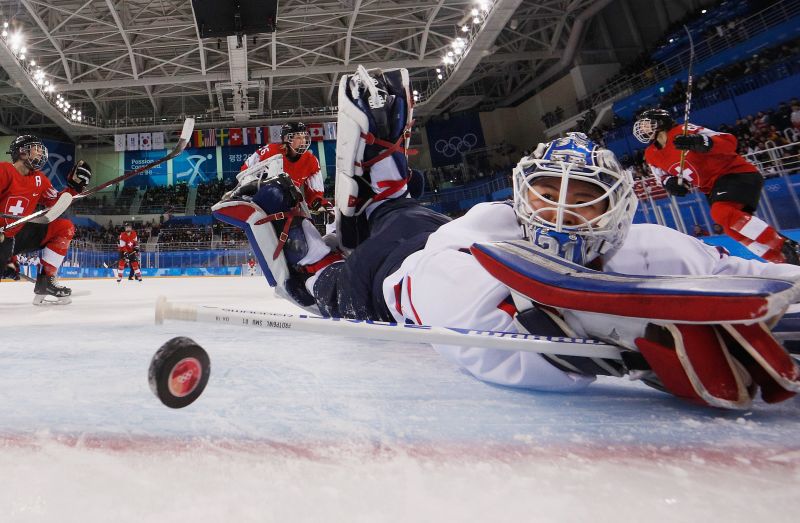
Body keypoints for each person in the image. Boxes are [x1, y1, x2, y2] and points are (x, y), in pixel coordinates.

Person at [214, 68, 800, 409]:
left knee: (398, 211)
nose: (562, 210)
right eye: (550, 192)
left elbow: (747, 279)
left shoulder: (646, 246)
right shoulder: (486, 240)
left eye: (582, 198)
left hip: (423, 228)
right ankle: (285, 225)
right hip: (395, 273)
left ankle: (378, 181)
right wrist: (612, 344)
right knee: (321, 286)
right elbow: (485, 347)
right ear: (525, 195)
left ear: (615, 209)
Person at [632, 108, 799, 264]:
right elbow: (661, 175)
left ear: (660, 122)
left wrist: (704, 142)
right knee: (732, 229)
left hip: (735, 173)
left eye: (647, 122)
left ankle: (784, 244)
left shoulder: (685, 130)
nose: (643, 127)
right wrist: (670, 183)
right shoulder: (651, 154)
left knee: (721, 213)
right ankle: (783, 261)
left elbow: (729, 141)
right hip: (712, 188)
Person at [0, 135, 91, 304]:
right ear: (22, 152)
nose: (41, 152)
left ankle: (46, 281)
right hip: (2, 237)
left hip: (17, 234)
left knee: (64, 227)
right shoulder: (4, 170)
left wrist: (74, 188)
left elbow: (56, 203)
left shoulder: (39, 179)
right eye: (36, 148)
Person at [234, 122, 334, 222]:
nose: (303, 141)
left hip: (288, 207)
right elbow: (245, 170)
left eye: (304, 137)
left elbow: (314, 194)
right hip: (263, 204)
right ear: (286, 139)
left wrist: (320, 204)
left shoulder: (311, 161)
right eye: (298, 137)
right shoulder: (270, 151)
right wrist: (254, 186)